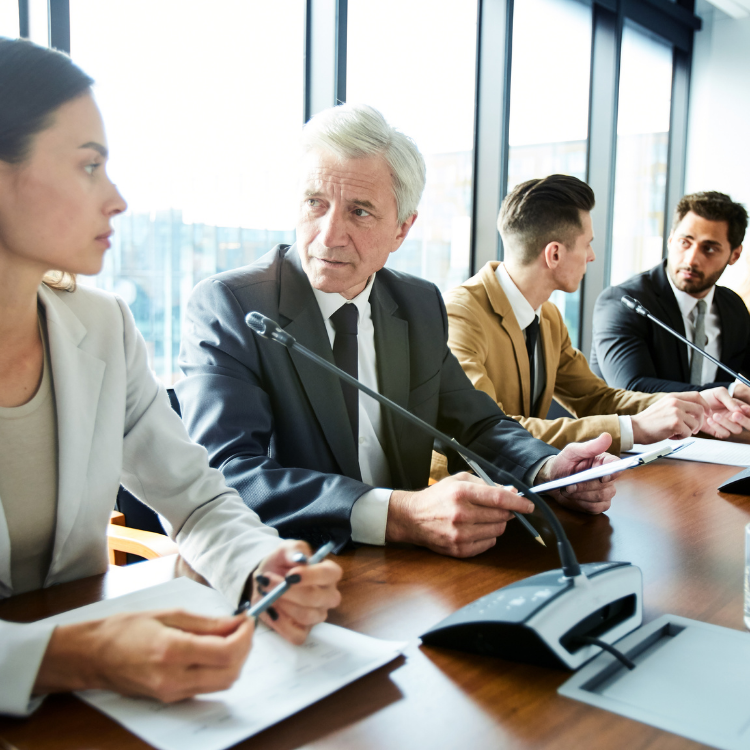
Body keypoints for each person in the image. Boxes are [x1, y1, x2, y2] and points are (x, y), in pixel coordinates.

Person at [0, 38, 341, 717]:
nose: (118, 199)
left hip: (87, 716)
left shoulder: (102, 327)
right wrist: (76, 656)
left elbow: (197, 498)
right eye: (89, 166)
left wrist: (258, 565)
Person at [177, 103, 620, 564]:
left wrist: (548, 468)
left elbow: (476, 424)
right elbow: (228, 472)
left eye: (360, 212)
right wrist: (397, 514)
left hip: (411, 568)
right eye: (315, 203)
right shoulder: (233, 305)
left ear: (402, 229)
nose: (329, 235)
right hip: (293, 569)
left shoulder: (417, 304)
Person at [432, 176, 750, 482]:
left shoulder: (550, 317)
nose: (592, 256)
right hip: (459, 490)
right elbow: (491, 430)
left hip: (525, 482)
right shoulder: (459, 316)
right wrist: (632, 428)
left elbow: (594, 397)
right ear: (554, 253)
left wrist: (693, 402)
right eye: (588, 244)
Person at [590, 191, 750, 400]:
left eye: (709, 249)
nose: (691, 259)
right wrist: (728, 392)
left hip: (716, 431)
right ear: (671, 239)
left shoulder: (733, 307)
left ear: (735, 255)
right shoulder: (624, 302)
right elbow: (632, 387)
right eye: (685, 242)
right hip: (632, 432)